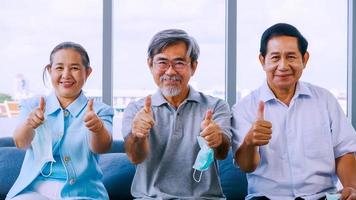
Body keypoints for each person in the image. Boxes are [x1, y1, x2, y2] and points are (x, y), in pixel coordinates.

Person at [232, 23, 356, 200]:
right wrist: (250, 142)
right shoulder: (244, 107)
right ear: (262, 61)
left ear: (304, 59)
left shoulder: (325, 100)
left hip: (321, 197)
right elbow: (246, 166)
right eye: (275, 58)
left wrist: (351, 188)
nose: (283, 66)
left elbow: (344, 151)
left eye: (291, 57)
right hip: (266, 198)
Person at [122, 29, 232, 199]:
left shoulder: (216, 106)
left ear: (193, 66)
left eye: (179, 63)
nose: (170, 71)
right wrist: (138, 135)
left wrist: (216, 139)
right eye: (162, 62)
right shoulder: (137, 109)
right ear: (150, 65)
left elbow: (222, 152)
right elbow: (135, 157)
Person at [6, 42, 114, 200]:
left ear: (87, 72)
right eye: (59, 68)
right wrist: (29, 124)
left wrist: (97, 129)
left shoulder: (100, 110)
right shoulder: (32, 105)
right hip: (33, 192)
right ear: (50, 71)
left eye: (75, 68)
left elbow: (102, 147)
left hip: (83, 193)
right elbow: (21, 143)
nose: (66, 75)